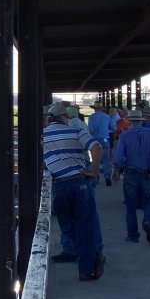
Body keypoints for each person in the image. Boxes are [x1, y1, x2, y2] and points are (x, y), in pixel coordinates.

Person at [42, 103, 105, 281]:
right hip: (79, 183)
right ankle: (86, 270)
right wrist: (93, 170)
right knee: (85, 227)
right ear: (64, 117)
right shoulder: (76, 131)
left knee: (66, 224)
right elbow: (96, 147)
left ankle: (70, 251)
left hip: (58, 185)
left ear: (49, 119)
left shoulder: (43, 135)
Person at [112, 109, 150, 243]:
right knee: (148, 200)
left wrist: (116, 169)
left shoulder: (124, 135)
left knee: (130, 204)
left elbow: (119, 155)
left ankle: (133, 234)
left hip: (130, 173)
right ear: (141, 121)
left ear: (129, 121)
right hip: (147, 172)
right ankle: (147, 221)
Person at [87, 101, 116, 186]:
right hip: (105, 139)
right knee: (107, 159)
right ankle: (107, 177)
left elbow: (90, 130)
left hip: (95, 140)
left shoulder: (91, 117)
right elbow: (114, 128)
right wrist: (106, 130)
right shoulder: (107, 117)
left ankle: (96, 178)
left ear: (94, 109)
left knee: (95, 160)